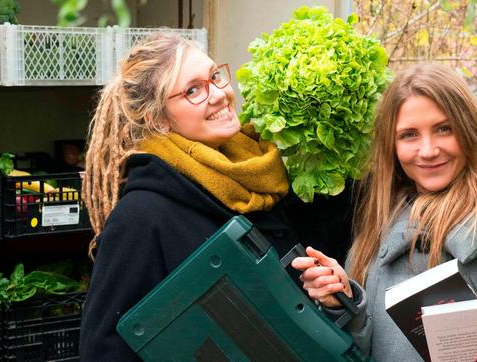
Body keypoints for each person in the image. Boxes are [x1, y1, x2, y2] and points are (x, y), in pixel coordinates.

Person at [78, 33, 354, 361]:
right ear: (158, 120)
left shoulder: (263, 179)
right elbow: (104, 351)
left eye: (215, 77)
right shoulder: (143, 216)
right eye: (193, 90)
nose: (219, 94)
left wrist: (329, 294)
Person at [292, 63, 477, 361]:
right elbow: (365, 351)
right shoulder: (374, 234)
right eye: (409, 135)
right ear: (392, 146)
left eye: (444, 129)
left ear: (469, 131)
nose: (429, 149)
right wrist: (342, 301)